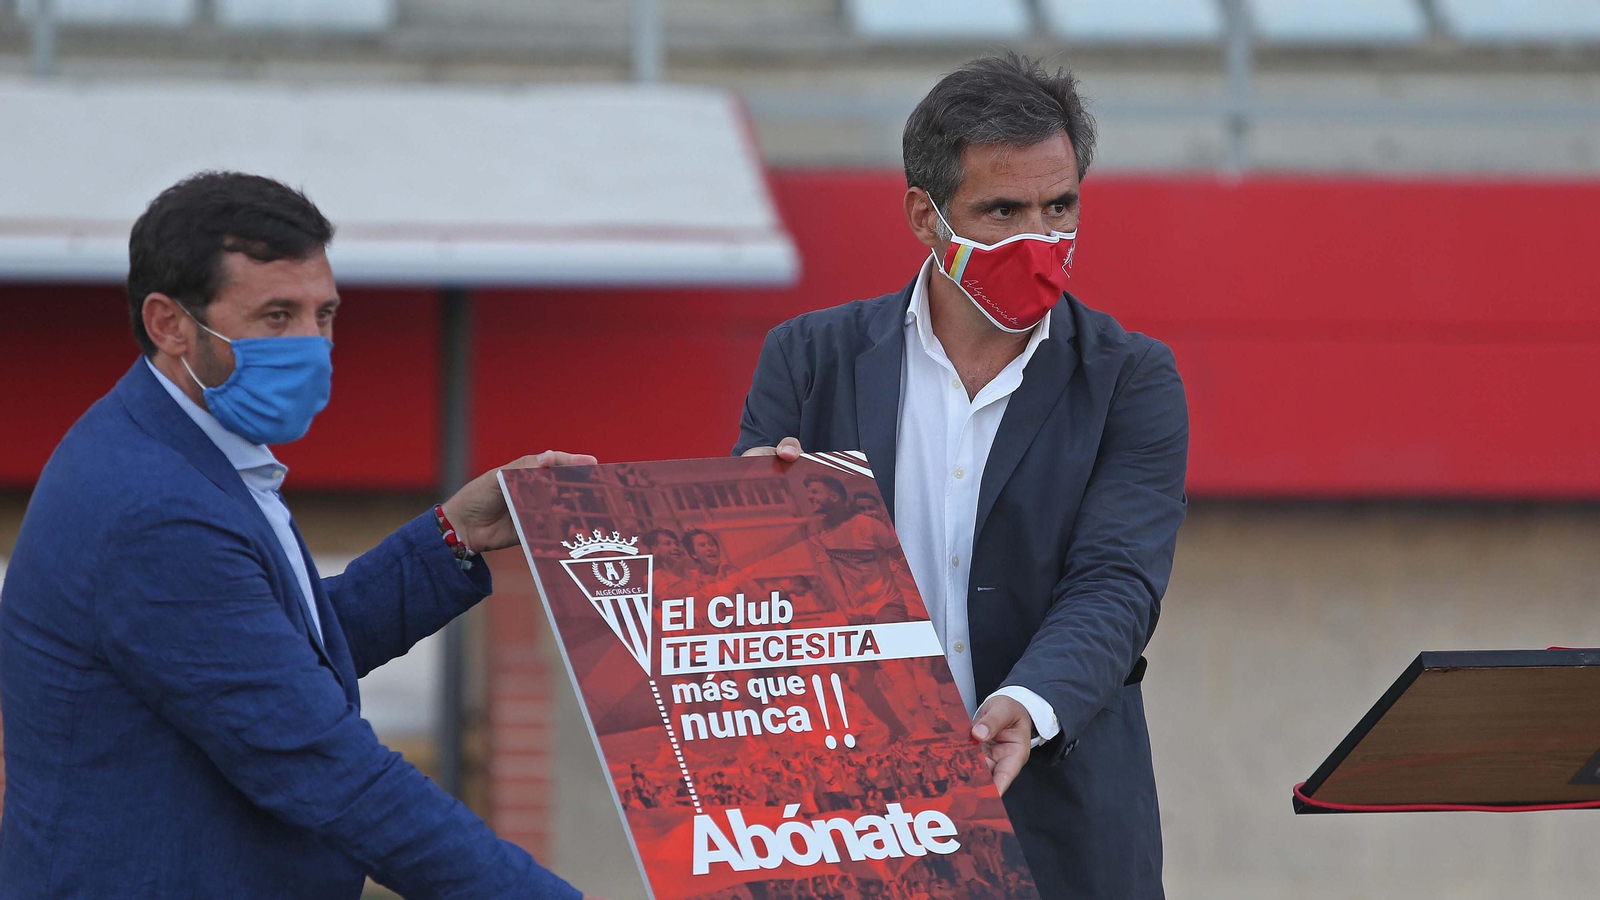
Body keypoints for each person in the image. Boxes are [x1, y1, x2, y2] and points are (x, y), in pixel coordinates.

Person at [0, 172, 601, 899]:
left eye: (325, 314)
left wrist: (454, 536)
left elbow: (276, 651)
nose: (313, 346)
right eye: (277, 316)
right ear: (169, 323)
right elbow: (330, 769)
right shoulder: (157, 510)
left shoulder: (176, 446)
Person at [735, 54, 1187, 899]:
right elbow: (756, 607)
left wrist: (1030, 702)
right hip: (849, 821)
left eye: (1060, 207)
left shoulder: (1132, 378)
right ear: (925, 214)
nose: (1040, 241)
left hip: (1059, 824)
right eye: (1002, 212)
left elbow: (1118, 582)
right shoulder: (807, 358)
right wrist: (753, 520)